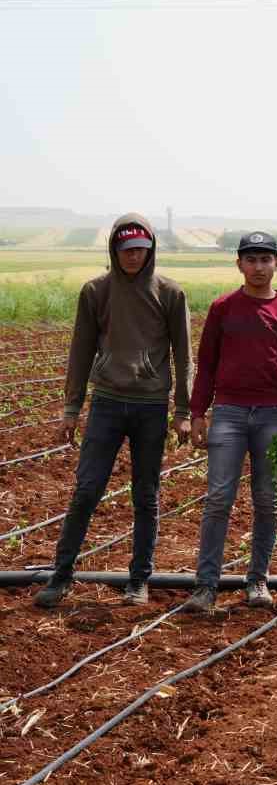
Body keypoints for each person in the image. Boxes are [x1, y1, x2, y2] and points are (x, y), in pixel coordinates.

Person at [35, 215, 192, 609]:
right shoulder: (95, 292)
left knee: (146, 494)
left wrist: (183, 410)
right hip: (106, 403)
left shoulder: (170, 294)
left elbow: (184, 355)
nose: (133, 257)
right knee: (87, 490)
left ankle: (139, 579)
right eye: (126, 251)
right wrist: (71, 407)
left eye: (140, 249)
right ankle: (61, 575)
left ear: (151, 249)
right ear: (114, 251)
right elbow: (81, 349)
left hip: (151, 407)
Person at [184, 232, 277, 613]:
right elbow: (206, 364)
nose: (259, 267)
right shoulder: (223, 308)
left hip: (274, 417)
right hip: (228, 415)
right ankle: (206, 585)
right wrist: (196, 413)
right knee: (219, 498)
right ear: (239, 264)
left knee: (267, 501)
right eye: (251, 259)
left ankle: (258, 580)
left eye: (265, 259)